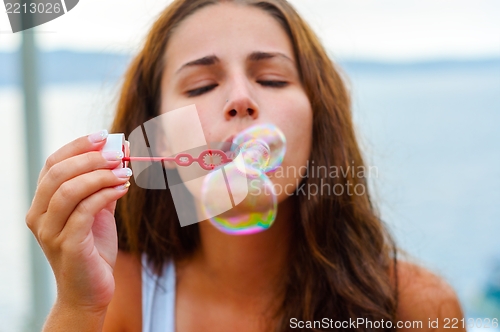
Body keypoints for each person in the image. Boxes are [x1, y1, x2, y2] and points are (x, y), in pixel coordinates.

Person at [26, 0, 465, 331]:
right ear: (157, 135)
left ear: (318, 118)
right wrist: (78, 307)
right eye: (200, 86)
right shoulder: (120, 296)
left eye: (271, 79)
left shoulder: (414, 306)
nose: (240, 98)